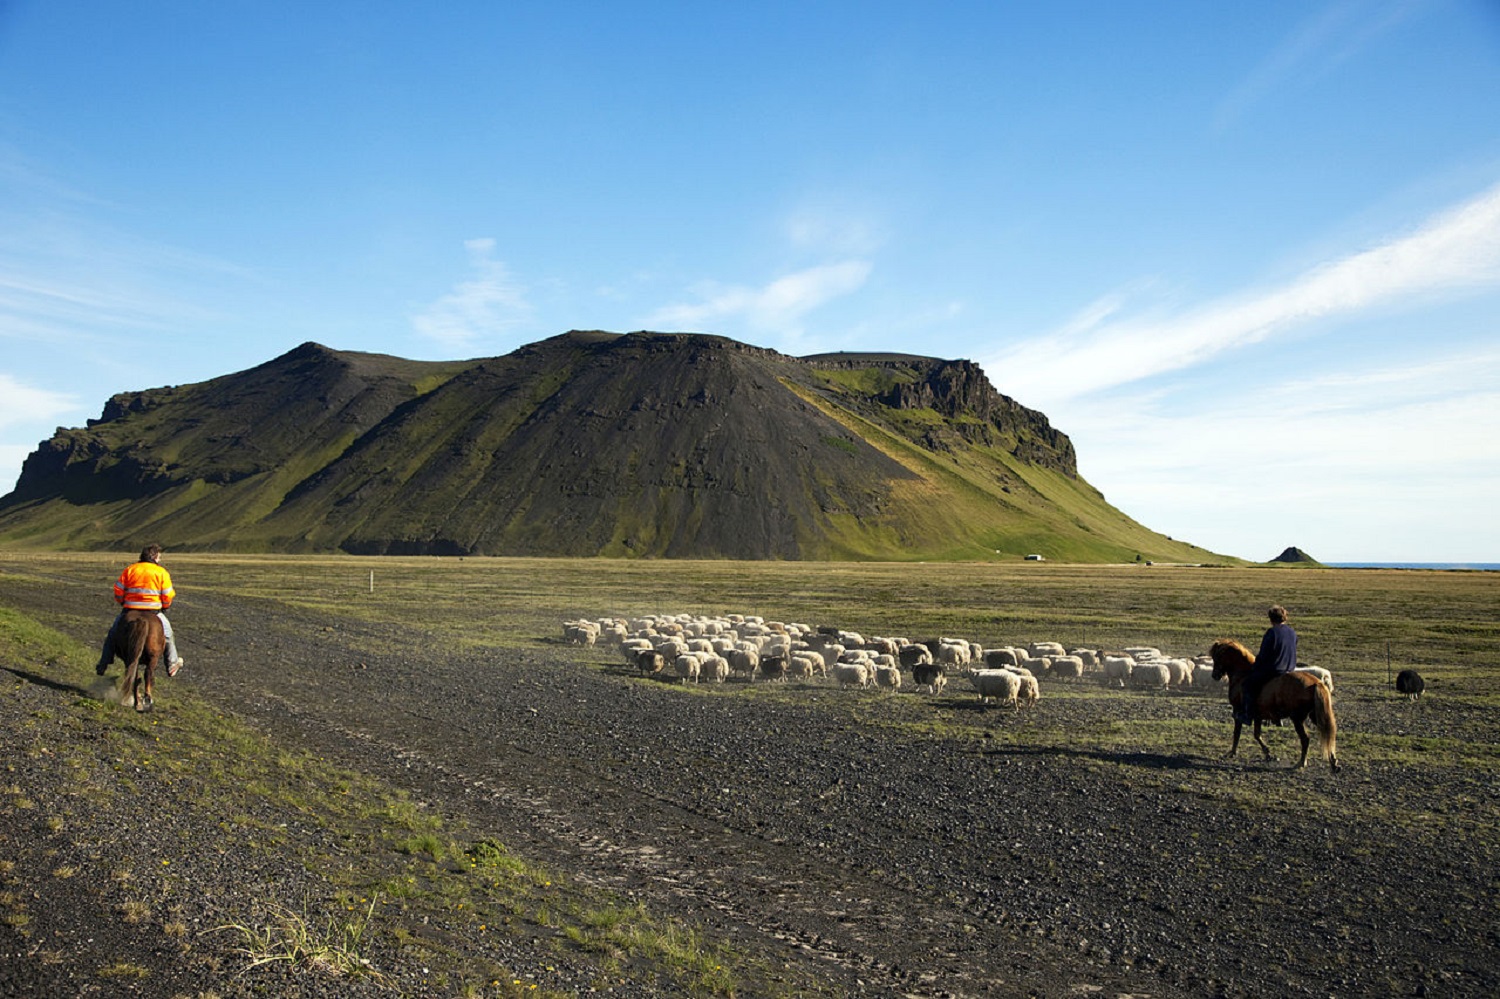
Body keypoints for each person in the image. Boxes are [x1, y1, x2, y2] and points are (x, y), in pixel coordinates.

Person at [95, 542, 184, 677]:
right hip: (154, 612)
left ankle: (104, 663)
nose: (160, 560)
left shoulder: (130, 569)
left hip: (130, 610)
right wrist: (165, 605)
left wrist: (122, 601)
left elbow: (118, 590)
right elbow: (167, 594)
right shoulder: (161, 572)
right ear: (154, 557)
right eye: (159, 557)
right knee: (168, 635)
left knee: (112, 634)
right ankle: (172, 663)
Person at [1237, 604, 1297, 723]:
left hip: (1274, 670)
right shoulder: (1292, 632)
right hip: (1290, 668)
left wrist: (1255, 667)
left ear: (1271, 619)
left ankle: (1248, 715)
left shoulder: (1272, 632)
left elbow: (1264, 655)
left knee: (1248, 684)